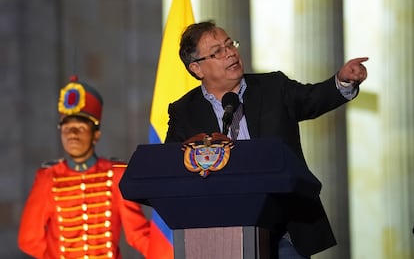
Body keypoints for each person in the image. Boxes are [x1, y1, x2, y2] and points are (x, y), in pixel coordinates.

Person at [164, 21, 368, 258]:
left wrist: (343, 81)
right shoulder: (184, 111)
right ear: (197, 69)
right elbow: (172, 167)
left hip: (284, 231)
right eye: (217, 51)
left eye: (230, 44)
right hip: (218, 233)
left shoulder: (273, 87)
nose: (230, 52)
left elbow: (312, 99)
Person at [18, 76, 150, 258]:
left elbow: (139, 234)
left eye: (80, 128)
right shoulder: (48, 177)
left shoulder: (116, 174)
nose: (72, 135)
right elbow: (29, 238)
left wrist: (166, 250)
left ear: (96, 135)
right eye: (67, 129)